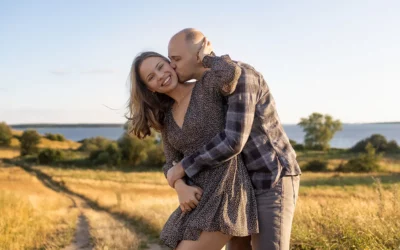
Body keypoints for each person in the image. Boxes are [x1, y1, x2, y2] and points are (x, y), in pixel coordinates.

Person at [167, 28, 302, 250]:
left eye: (177, 59)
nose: (172, 66)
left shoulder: (242, 75)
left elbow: (233, 140)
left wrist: (183, 167)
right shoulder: (206, 88)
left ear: (199, 54)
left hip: (271, 177)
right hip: (241, 188)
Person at [127, 41, 258, 249]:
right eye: (151, 77)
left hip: (227, 190)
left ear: (171, 64)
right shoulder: (167, 119)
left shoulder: (204, 85)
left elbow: (231, 72)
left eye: (161, 66)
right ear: (149, 89)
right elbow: (171, 164)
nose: (160, 76)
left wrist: (205, 56)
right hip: (196, 198)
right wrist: (180, 188)